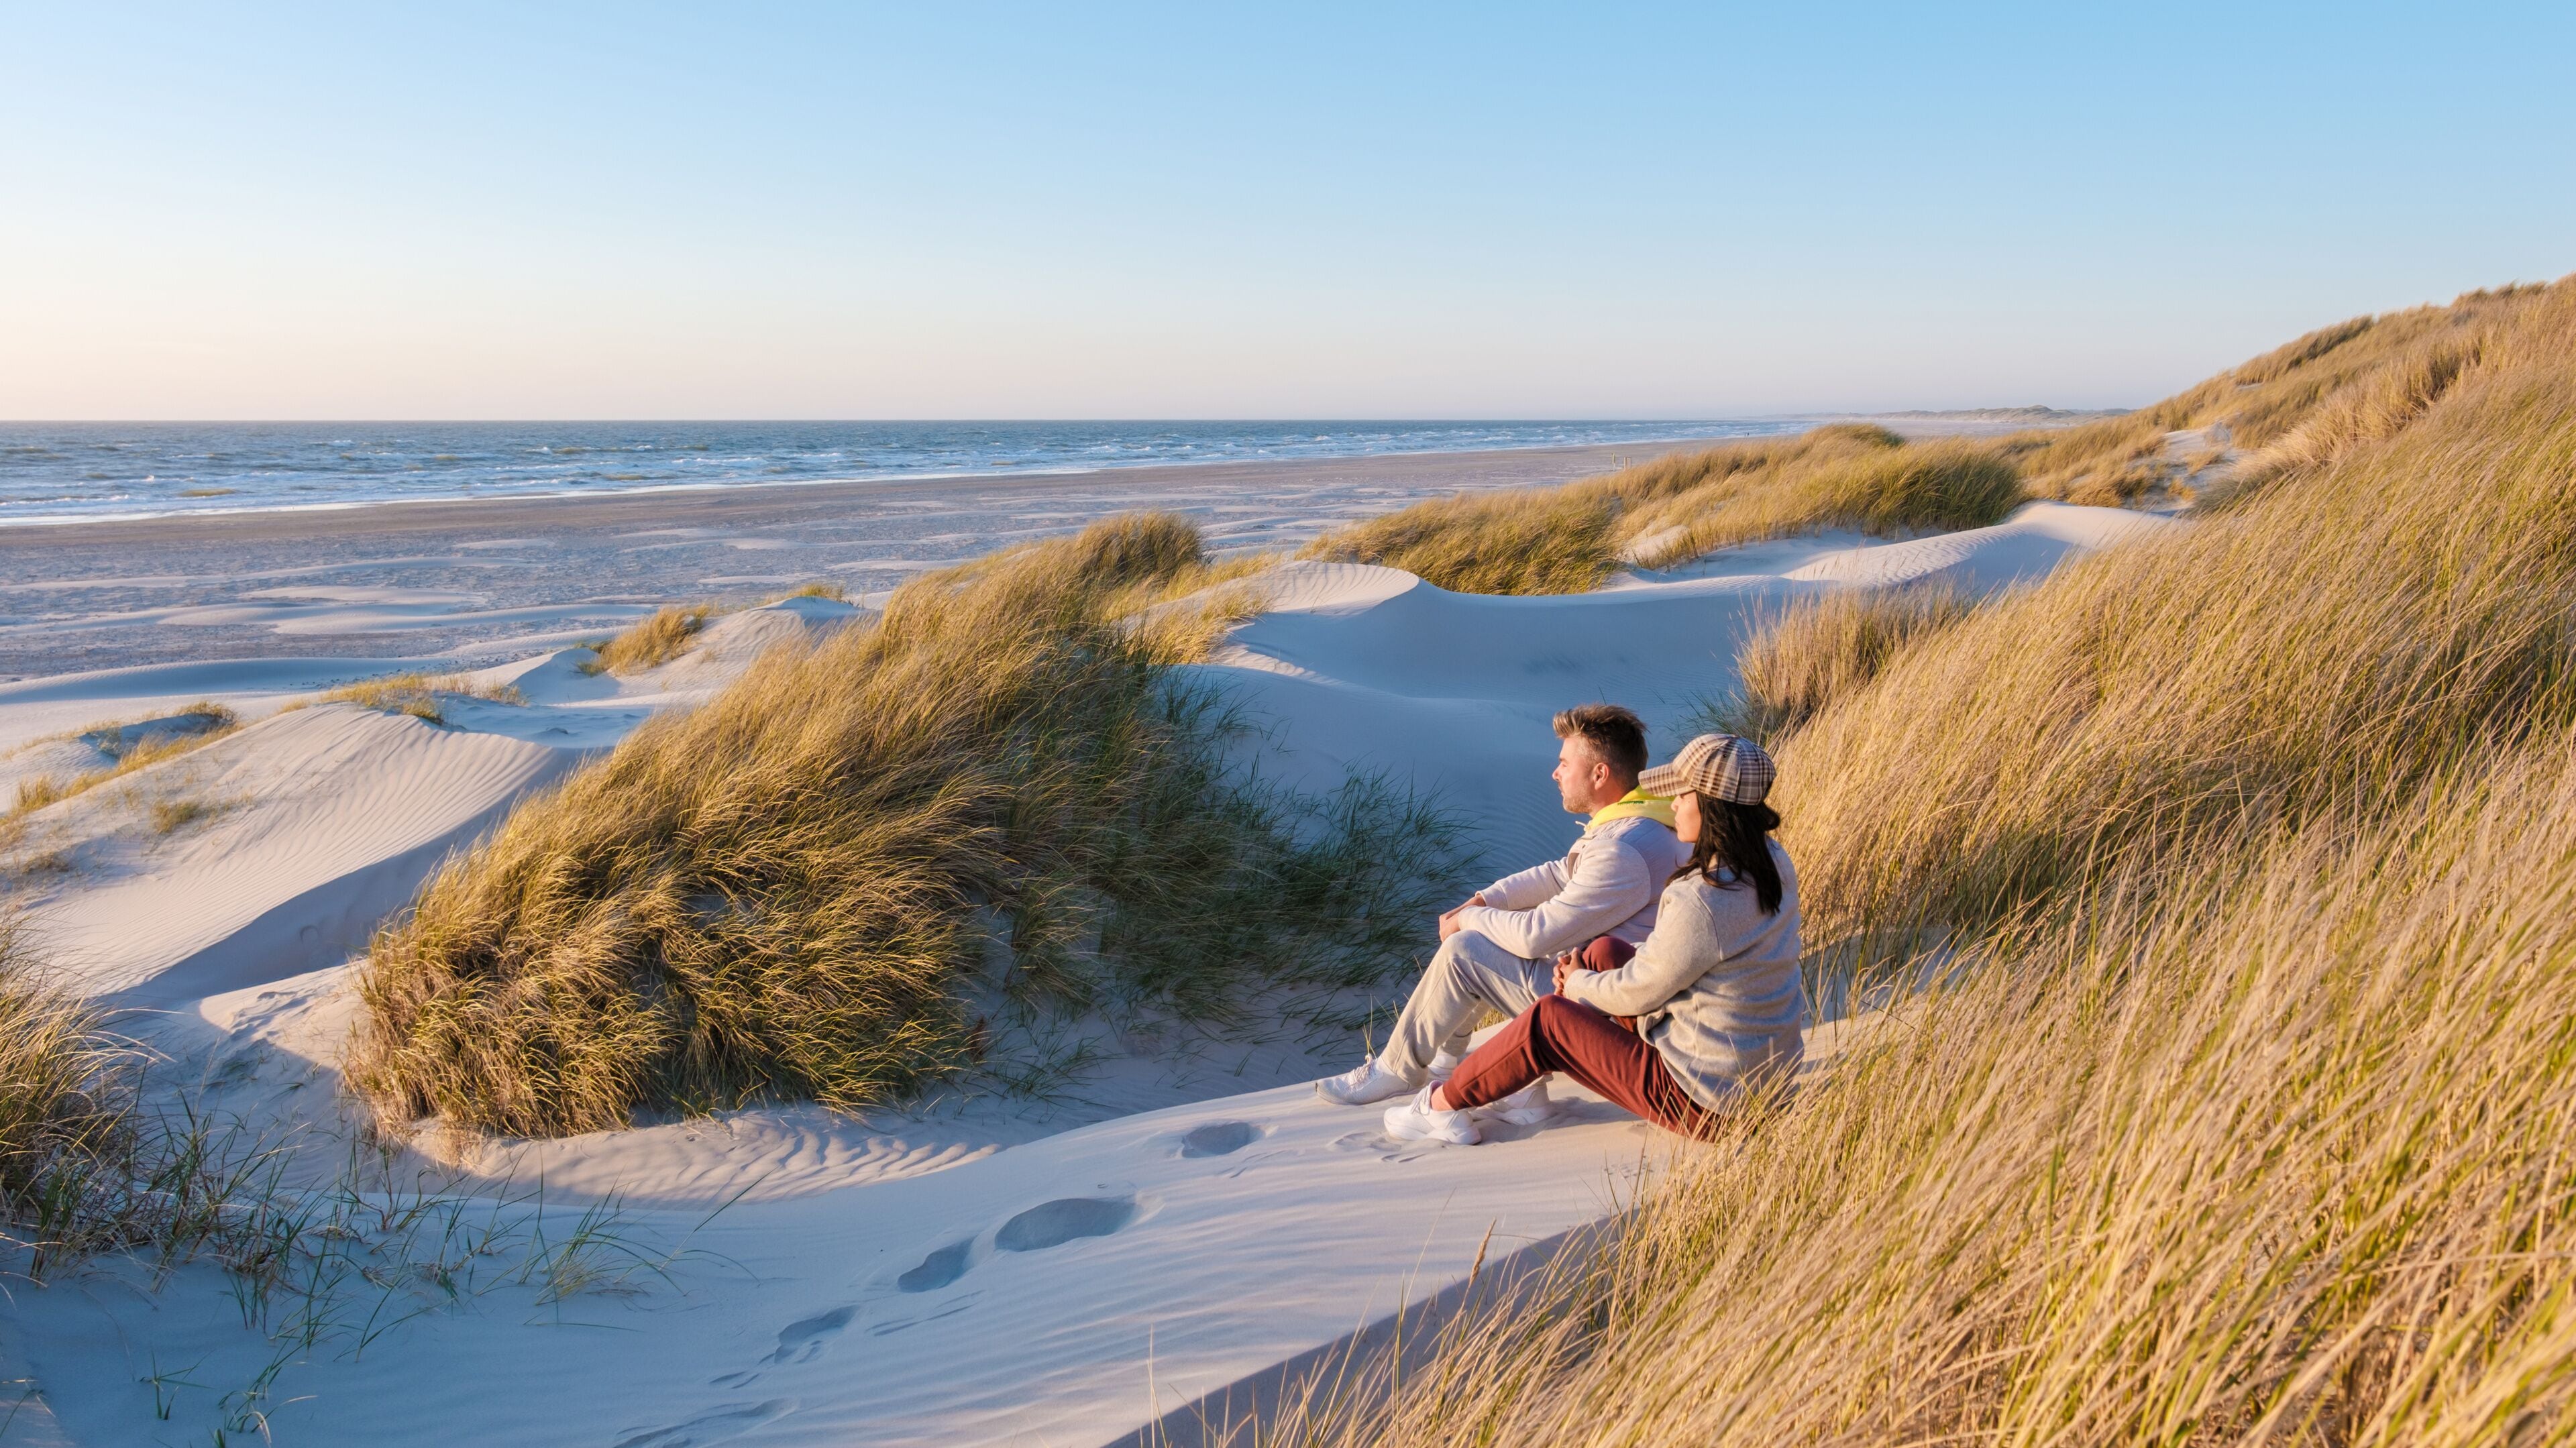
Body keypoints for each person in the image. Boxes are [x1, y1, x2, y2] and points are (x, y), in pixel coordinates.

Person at [1379, 732, 1805, 1145]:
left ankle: (1441, 1106)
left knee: (1548, 1022)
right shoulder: (1771, 863)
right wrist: (1589, 970)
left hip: (1708, 1101)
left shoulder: (1703, 894)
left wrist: (1578, 984)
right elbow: (1676, 964)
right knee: (1605, 952)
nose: (1672, 803)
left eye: (1682, 793)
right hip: (1762, 1080)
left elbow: (1642, 991)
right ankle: (1519, 1091)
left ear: (1711, 805)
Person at [1315, 704, 1690, 1123]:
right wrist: (1483, 901)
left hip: (1607, 1008)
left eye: (1565, 763)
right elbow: (1558, 874)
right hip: (1614, 986)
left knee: (1466, 951)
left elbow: (1538, 936)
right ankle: (1451, 1061)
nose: (1556, 773)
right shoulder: (1641, 823)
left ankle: (1396, 1071)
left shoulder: (1624, 850)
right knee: (1487, 940)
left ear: (1600, 774)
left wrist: (1469, 921)